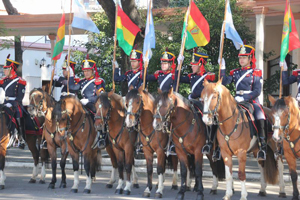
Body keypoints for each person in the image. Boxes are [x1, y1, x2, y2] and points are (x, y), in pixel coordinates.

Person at [220, 45, 266, 161]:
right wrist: (222, 68)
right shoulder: (235, 72)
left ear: (250, 58)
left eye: (244, 57)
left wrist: (244, 97)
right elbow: (223, 83)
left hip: (251, 101)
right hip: (236, 101)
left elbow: (257, 91)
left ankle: (262, 145)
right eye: (240, 57)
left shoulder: (256, 72)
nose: (241, 60)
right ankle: (217, 145)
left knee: (261, 116)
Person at [176, 50, 217, 156]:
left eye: (194, 65)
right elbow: (177, 79)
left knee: (207, 119)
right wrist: (178, 65)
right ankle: (176, 142)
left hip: (202, 102)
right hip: (191, 102)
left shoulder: (208, 76)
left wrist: (194, 95)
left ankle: (209, 142)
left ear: (200, 64)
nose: (192, 67)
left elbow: (209, 89)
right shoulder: (192, 76)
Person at [69, 55, 106, 149]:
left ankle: (101, 136)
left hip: (94, 103)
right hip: (82, 103)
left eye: (88, 71)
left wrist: (89, 100)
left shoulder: (98, 81)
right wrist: (70, 75)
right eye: (84, 71)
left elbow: (100, 96)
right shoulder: (82, 82)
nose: (86, 73)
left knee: (98, 115)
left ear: (93, 71)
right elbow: (72, 87)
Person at [147, 48, 177, 155]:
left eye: (166, 63)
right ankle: (146, 140)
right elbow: (145, 77)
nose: (163, 65)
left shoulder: (173, 76)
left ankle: (173, 143)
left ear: (170, 65)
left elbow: (174, 90)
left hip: (169, 100)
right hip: (160, 100)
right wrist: (144, 65)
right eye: (162, 63)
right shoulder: (159, 74)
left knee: (173, 120)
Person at [1, 54, 26, 149]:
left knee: (19, 114)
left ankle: (21, 138)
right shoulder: (5, 81)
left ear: (11, 69)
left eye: (6, 69)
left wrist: (13, 103)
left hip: (15, 103)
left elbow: (20, 96)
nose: (4, 71)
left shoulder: (20, 81)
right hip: (5, 103)